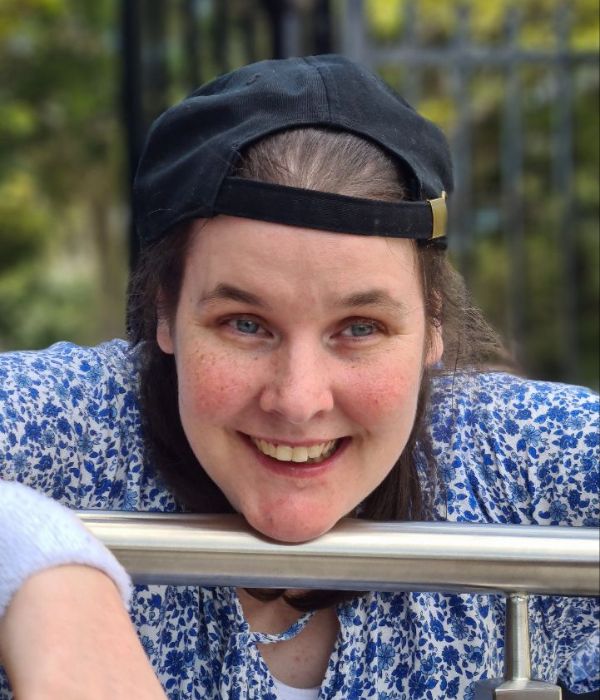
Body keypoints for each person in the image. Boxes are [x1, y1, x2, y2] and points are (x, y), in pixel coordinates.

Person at [0, 54, 597, 700]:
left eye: (360, 328)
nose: (299, 399)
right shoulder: (73, 427)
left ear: (431, 324)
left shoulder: (514, 460)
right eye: (245, 324)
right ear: (164, 312)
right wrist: (46, 572)